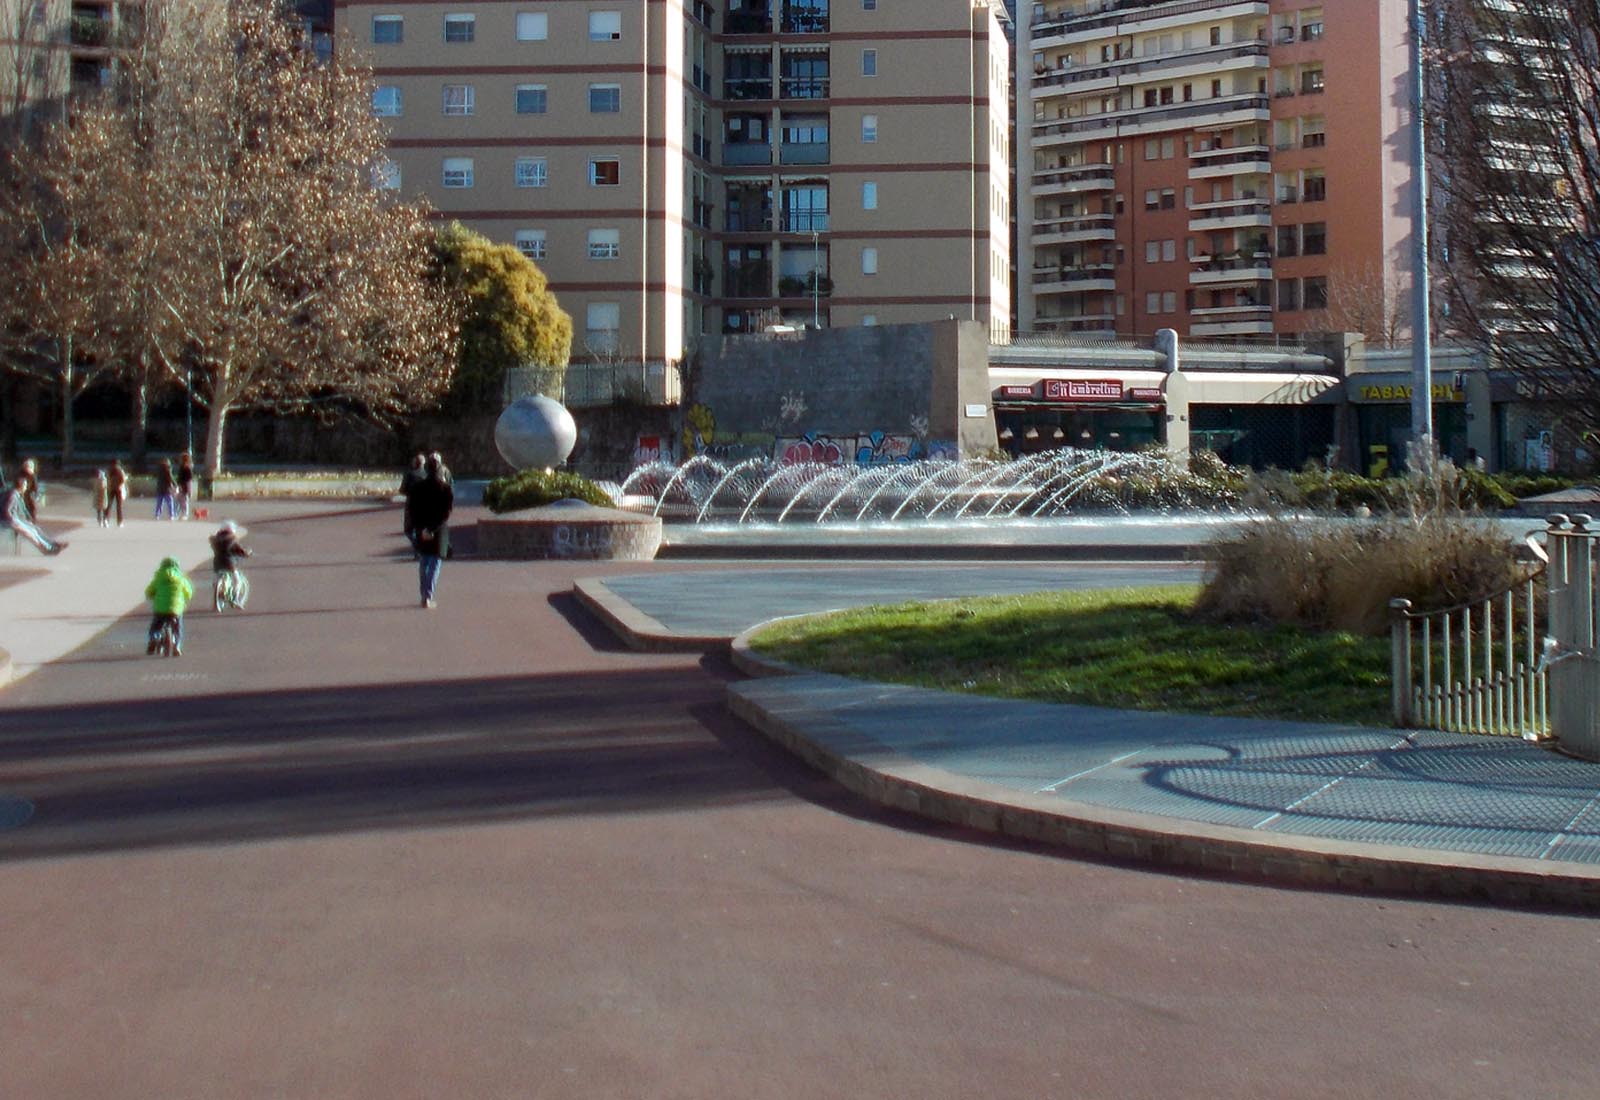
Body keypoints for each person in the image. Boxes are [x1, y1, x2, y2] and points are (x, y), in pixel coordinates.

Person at [408, 453, 453, 609]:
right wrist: (433, 528)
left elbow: (412, 510)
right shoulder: (445, 488)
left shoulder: (417, 488)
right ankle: (428, 596)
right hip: (438, 530)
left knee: (424, 561)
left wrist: (420, 528)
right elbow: (446, 512)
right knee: (435, 563)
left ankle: (423, 595)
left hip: (422, 528)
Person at [2, 474, 65, 555]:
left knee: (34, 529)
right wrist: (14, 521)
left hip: (12, 519)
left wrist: (27, 519)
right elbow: (5, 511)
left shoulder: (15, 494)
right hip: (8, 521)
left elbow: (22, 509)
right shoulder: (13, 494)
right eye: (25, 484)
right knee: (29, 532)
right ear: (21, 485)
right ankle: (46, 549)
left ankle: (51, 544)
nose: (26, 487)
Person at [144, 556, 193, 656]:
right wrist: (186, 597)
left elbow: (149, 591)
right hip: (176, 609)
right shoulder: (181, 578)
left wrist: (151, 595)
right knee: (177, 627)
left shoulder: (158, 577)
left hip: (160, 609)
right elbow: (188, 592)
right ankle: (177, 645)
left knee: (156, 626)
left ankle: (154, 637)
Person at [210, 519, 252, 601]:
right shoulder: (232, 539)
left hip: (217, 563)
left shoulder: (215, 540)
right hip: (229, 563)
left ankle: (219, 589)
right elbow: (239, 550)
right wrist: (247, 553)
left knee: (218, 576)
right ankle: (235, 597)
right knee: (237, 580)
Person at [399, 452, 426, 552]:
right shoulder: (427, 475)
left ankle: (417, 547)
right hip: (424, 505)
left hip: (411, 504)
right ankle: (420, 548)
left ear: (415, 463)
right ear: (423, 463)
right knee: (421, 529)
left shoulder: (410, 475)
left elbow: (402, 490)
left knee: (408, 530)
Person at [107, 459, 128, 527]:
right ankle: (119, 522)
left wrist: (110, 485)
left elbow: (107, 479)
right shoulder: (120, 471)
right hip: (119, 490)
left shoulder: (110, 470)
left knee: (109, 505)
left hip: (111, 489)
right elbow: (123, 480)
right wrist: (120, 485)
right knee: (119, 507)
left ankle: (106, 520)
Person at [176, 452, 196, 520]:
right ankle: (178, 513)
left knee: (184, 501)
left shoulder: (187, 469)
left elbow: (189, 481)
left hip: (184, 487)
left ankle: (185, 514)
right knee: (179, 501)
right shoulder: (182, 468)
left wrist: (189, 490)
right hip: (181, 486)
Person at [19, 458, 40, 522]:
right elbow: (17, 485)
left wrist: (35, 494)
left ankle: (32, 520)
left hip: (29, 494)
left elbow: (35, 487)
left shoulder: (33, 476)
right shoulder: (20, 474)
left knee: (32, 506)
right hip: (21, 493)